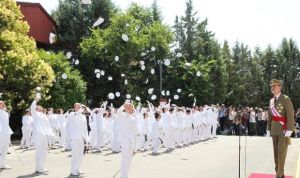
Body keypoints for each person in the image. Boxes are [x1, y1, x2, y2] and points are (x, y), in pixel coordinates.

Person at [267, 79, 295, 178]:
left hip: (283, 130)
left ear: (280, 87)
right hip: (274, 130)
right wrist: (268, 128)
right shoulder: (271, 101)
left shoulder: (285, 99)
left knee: (281, 153)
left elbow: (290, 115)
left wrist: (290, 129)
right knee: (275, 154)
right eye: (271, 86)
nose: (273, 88)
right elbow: (270, 116)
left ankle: (279, 175)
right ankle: (280, 173)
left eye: (275, 86)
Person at [31, 95, 54, 173]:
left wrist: (51, 134)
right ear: (37, 108)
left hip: (45, 135)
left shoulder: (44, 115)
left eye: (41, 106)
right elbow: (32, 107)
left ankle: (42, 166)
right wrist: (36, 100)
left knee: (44, 151)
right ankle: (38, 167)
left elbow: (48, 126)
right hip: (39, 135)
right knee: (39, 151)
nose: (40, 107)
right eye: (39, 106)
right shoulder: (35, 114)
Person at [116, 101, 138, 178]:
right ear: (125, 108)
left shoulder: (133, 117)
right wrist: (124, 105)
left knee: (129, 158)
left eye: (131, 107)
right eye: (128, 107)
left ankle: (126, 174)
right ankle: (123, 176)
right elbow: (118, 112)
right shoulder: (122, 115)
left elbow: (135, 113)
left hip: (131, 140)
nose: (130, 108)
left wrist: (132, 107)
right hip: (124, 139)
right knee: (125, 157)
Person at [67, 103, 89, 176]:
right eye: (77, 106)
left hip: (81, 138)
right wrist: (79, 111)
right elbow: (73, 118)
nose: (79, 107)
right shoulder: (72, 114)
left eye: (80, 106)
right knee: (75, 154)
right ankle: (73, 170)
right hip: (74, 138)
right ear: (74, 107)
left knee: (80, 154)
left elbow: (85, 128)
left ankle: (78, 168)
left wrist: (87, 138)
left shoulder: (83, 117)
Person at [0, 100, 13, 169]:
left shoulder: (5, 112)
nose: (3, 105)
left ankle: (3, 164)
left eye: (3, 104)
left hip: (7, 131)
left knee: (5, 148)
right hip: (1, 132)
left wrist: (6, 111)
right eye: (1, 104)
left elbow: (7, 119)